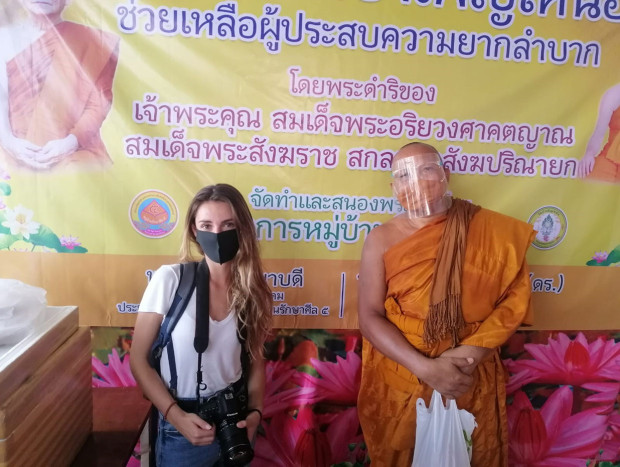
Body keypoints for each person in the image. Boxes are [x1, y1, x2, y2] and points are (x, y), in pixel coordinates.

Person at [357, 142, 535, 466]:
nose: (416, 181)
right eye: (404, 176)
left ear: (445, 174)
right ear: (394, 187)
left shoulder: (493, 231)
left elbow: (514, 301)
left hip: (468, 375)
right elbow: (369, 317)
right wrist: (426, 368)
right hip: (405, 378)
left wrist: (464, 359)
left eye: (426, 169)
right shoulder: (381, 238)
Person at [131, 184, 272, 466]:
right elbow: (138, 359)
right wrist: (175, 416)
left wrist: (255, 412)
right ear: (194, 230)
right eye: (207, 224)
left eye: (228, 224)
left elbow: (256, 360)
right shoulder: (170, 280)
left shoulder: (252, 291)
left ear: (242, 228)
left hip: (235, 422)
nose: (217, 234)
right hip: (182, 426)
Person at [0, 0, 119, 171]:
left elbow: (99, 103)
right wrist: (9, 142)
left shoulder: (92, 40)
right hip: (12, 150)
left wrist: (71, 142)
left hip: (75, 153)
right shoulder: (3, 38)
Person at [577, 83, 620, 182]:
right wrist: (589, 154)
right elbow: (599, 133)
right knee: (589, 175)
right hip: (610, 158)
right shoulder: (613, 94)